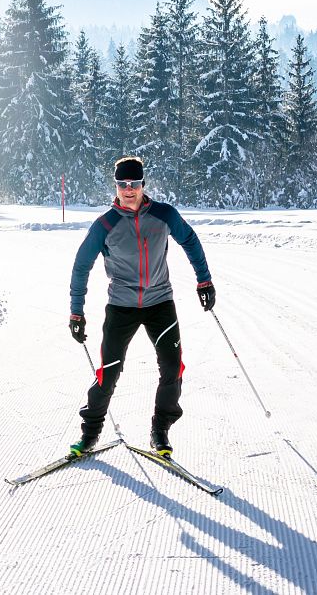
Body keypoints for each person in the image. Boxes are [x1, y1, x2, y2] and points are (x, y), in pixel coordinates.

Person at [68, 156, 215, 457]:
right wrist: (76, 310)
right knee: (107, 374)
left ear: (143, 184)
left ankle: (160, 431)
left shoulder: (163, 215)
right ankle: (90, 434)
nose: (128, 189)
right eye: (122, 184)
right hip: (121, 306)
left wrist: (204, 281)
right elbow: (81, 266)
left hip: (160, 302)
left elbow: (190, 240)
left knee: (173, 368)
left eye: (134, 183)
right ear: (116, 186)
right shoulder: (105, 225)